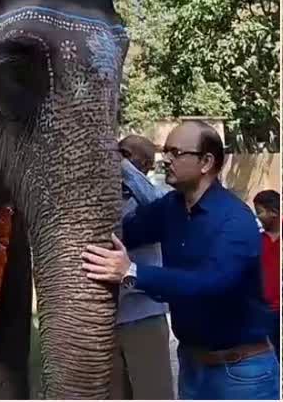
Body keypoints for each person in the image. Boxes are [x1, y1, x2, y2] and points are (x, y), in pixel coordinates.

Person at [82, 121, 278, 400]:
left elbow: (210, 283)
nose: (165, 160)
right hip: (192, 367)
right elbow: (125, 232)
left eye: (175, 152)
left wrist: (132, 271)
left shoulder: (235, 220)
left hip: (241, 375)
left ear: (206, 162)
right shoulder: (171, 208)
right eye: (166, 152)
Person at [113, 138, 175, 400]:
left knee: (153, 393)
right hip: (105, 320)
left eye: (128, 156)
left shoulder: (155, 193)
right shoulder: (104, 194)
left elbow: (158, 211)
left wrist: (126, 170)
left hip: (143, 315)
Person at [252, 189, 281, 355]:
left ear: (274, 213)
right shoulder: (257, 240)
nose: (257, 217)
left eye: (259, 212)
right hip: (264, 309)